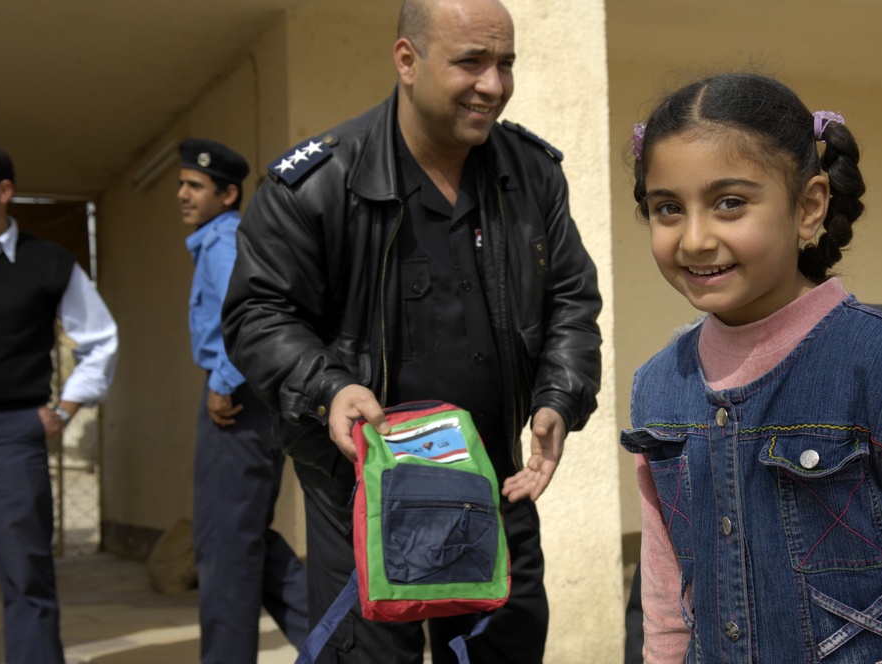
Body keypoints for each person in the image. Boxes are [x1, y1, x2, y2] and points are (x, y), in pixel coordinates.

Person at [221, 0, 603, 660]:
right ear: (407, 60)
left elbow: (571, 298)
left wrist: (558, 399)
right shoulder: (316, 184)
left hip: (492, 484)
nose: (493, 84)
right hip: (360, 499)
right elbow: (256, 313)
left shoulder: (530, 174)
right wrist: (329, 387)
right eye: (471, 62)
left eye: (505, 64)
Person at [620, 73, 882, 662]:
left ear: (809, 206)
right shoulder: (658, 389)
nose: (694, 238)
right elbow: (666, 599)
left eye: (729, 203)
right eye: (667, 208)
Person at [0, 144, 119, 664]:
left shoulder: (49, 262)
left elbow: (101, 340)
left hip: (11, 437)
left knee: (25, 575)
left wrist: (65, 409)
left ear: (4, 192)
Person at [177, 138, 309, 663]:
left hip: (237, 401)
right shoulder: (214, 240)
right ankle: (338, 646)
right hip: (236, 397)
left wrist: (223, 381)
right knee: (240, 537)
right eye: (181, 185)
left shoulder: (227, 240)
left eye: (195, 186)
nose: (183, 195)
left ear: (228, 194)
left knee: (226, 547)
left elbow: (250, 313)